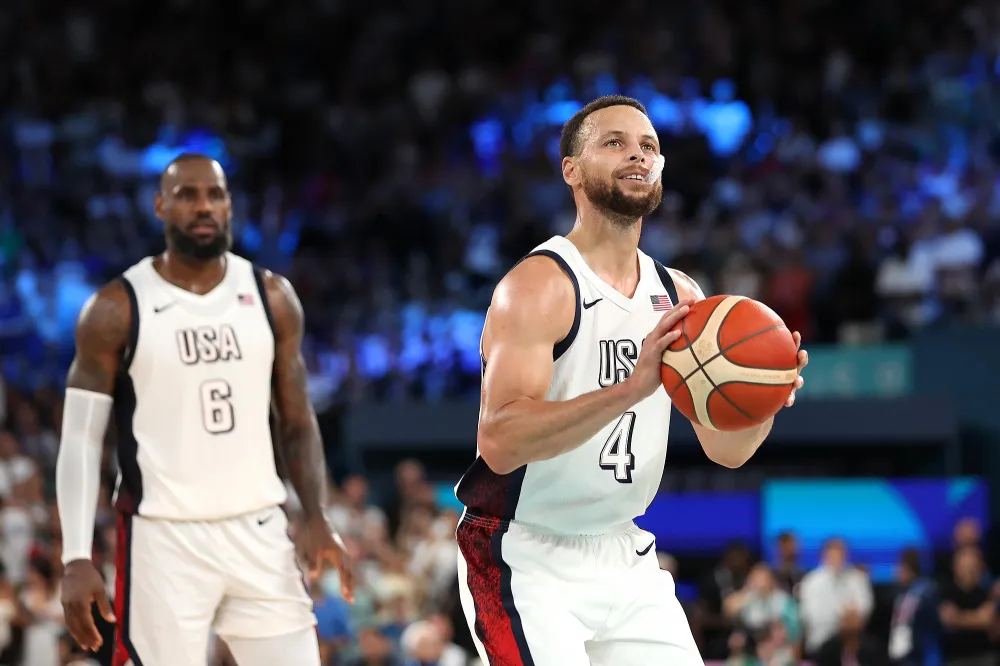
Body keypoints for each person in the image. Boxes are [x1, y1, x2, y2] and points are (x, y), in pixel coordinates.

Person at [453, 95, 808, 665]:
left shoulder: (680, 296)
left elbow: (727, 452)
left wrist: (764, 397)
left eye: (648, 146)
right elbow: (499, 441)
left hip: (623, 549)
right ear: (571, 170)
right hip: (521, 550)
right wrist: (630, 389)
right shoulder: (539, 285)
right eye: (614, 142)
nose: (637, 155)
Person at [54, 154, 354, 666]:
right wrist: (76, 556)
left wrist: (316, 513)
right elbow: (81, 439)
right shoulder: (116, 308)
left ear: (229, 205)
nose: (204, 207)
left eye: (215, 195)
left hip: (258, 528)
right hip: (163, 537)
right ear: (160, 207)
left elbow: (297, 420)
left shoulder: (271, 296)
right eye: (187, 195)